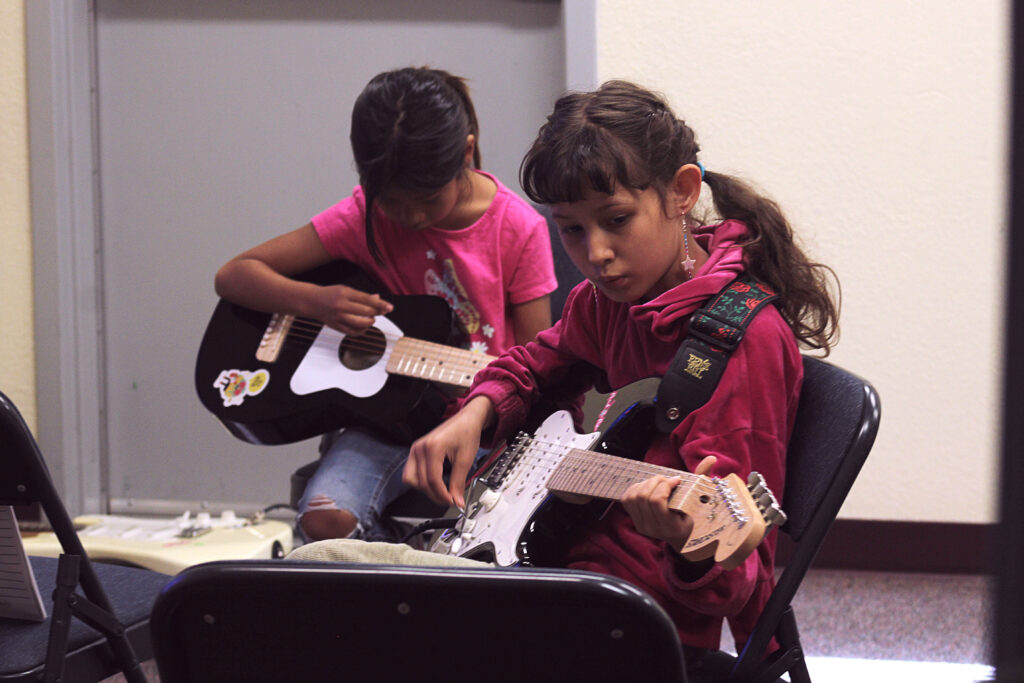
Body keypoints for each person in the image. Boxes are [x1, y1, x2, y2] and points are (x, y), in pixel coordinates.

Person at [404, 80, 839, 663]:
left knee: (392, 624)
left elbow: (741, 575)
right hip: (554, 562)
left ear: (682, 192)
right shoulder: (604, 302)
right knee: (343, 582)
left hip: (634, 615)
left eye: (616, 220)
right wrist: (478, 410)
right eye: (573, 229)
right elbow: (537, 360)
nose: (597, 253)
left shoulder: (741, 342)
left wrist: (684, 541)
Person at [215, 67, 558, 543]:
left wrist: (488, 416)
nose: (411, 217)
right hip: (384, 426)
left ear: (465, 152)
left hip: (481, 431)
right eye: (393, 202)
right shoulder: (363, 216)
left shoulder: (518, 228)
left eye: (426, 200)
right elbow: (235, 276)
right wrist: (318, 301)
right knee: (323, 521)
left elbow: (536, 366)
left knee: (480, 542)